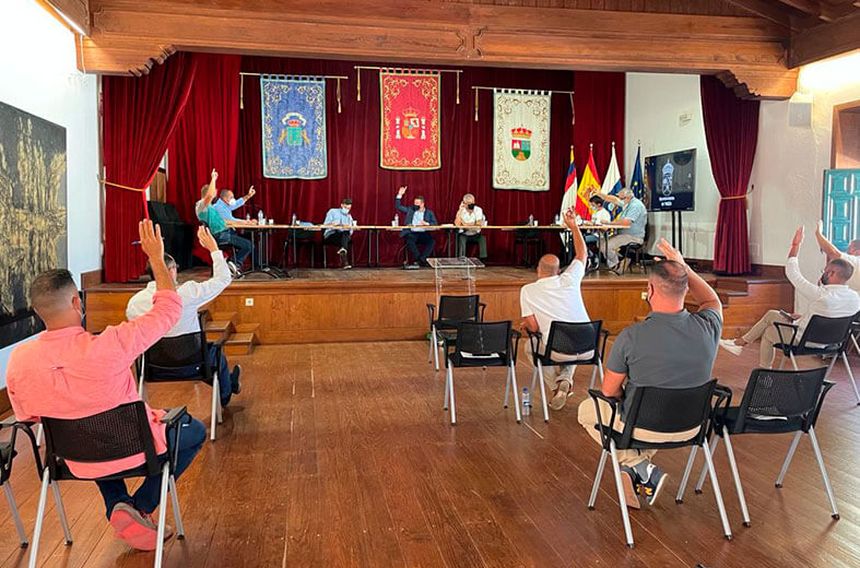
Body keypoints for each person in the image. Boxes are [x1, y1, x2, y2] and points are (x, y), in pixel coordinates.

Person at [5, 220, 206, 551]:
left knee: (87, 425)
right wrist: (156, 258)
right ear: (77, 302)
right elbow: (169, 310)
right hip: (136, 450)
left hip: (73, 459)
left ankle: (117, 504)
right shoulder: (112, 343)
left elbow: (28, 416)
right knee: (193, 431)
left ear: (39, 312)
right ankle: (138, 505)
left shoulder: (19, 361)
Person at [577, 238, 723, 508]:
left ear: (650, 290)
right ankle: (632, 470)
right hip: (694, 426)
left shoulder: (631, 336)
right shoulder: (709, 327)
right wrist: (683, 266)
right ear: (686, 289)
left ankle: (638, 466)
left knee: (587, 410)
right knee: (645, 412)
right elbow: (711, 299)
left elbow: (608, 392)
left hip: (646, 426)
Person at [126, 225, 241, 407]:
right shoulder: (187, 293)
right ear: (171, 270)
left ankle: (229, 382)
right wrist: (213, 249)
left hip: (153, 366)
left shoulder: (135, 303)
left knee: (206, 356)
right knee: (213, 355)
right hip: (192, 363)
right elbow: (223, 279)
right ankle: (226, 393)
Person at [720, 226, 860, 367]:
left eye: (824, 271)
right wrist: (802, 317)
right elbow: (830, 318)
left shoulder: (821, 295)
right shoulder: (855, 298)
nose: (823, 273)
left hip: (806, 340)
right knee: (772, 315)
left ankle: (762, 369)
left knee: (769, 332)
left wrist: (795, 245)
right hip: (834, 343)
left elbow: (793, 273)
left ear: (831, 273)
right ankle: (739, 343)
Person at [519, 208, 590, 410]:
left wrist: (526, 325)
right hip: (589, 346)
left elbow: (533, 327)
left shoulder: (528, 290)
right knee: (572, 337)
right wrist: (574, 227)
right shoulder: (570, 278)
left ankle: (555, 387)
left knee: (531, 346)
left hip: (559, 348)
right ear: (559, 271)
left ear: (537, 270)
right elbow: (582, 254)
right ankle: (565, 380)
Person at [195, 169, 255, 276]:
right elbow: (209, 196)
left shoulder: (211, 208)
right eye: (214, 192)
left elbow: (225, 221)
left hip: (224, 233)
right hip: (220, 235)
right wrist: (213, 179)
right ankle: (233, 264)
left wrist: (245, 222)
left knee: (247, 242)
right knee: (248, 245)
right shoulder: (201, 206)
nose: (215, 194)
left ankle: (231, 264)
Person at [600, 188, 647, 271]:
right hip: (622, 234)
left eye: (621, 198)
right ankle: (622, 259)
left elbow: (626, 222)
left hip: (633, 236)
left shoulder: (635, 206)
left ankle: (616, 265)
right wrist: (598, 194)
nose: (619, 200)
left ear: (628, 197)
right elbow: (613, 199)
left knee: (605, 247)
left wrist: (609, 223)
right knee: (600, 242)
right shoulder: (627, 202)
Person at [395, 185, 438, 268]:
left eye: (418, 204)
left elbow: (435, 224)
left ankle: (421, 259)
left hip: (423, 233)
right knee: (409, 240)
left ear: (422, 204)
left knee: (432, 241)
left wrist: (427, 224)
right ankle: (420, 260)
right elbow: (398, 206)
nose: (416, 205)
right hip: (412, 232)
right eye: (415, 203)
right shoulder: (410, 210)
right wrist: (399, 195)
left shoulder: (429, 213)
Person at [814, 221, 860, 292]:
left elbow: (833, 253)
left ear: (857, 252)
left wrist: (818, 233)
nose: (846, 251)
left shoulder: (857, 263)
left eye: (849, 249)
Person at [323, 198, 355, 269]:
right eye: (346, 207)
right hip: (331, 234)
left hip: (343, 235)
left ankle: (344, 255)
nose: (347, 210)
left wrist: (349, 227)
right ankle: (344, 258)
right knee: (344, 239)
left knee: (345, 233)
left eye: (349, 208)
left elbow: (351, 231)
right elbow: (325, 225)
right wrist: (333, 225)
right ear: (342, 205)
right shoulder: (332, 211)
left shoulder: (349, 216)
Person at [454, 193, 488, 259]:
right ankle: (462, 258)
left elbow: (478, 224)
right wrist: (460, 210)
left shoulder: (478, 210)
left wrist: (464, 224)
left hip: (476, 234)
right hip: (465, 233)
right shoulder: (462, 211)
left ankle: (483, 259)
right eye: (468, 203)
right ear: (464, 203)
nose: (470, 205)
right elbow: (457, 224)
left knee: (482, 239)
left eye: (472, 203)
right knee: (461, 238)